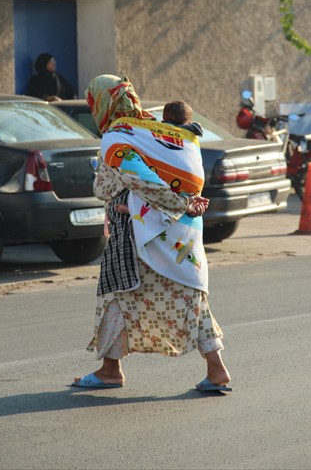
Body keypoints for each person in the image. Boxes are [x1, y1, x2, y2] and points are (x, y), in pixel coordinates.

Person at [72, 74, 231, 392]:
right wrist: (183, 204)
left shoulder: (119, 137)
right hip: (180, 235)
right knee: (189, 298)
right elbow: (185, 173)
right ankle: (216, 369)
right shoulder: (163, 132)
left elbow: (137, 181)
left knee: (116, 296)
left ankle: (109, 371)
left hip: (136, 235)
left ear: (105, 103)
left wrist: (178, 203)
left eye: (94, 102)